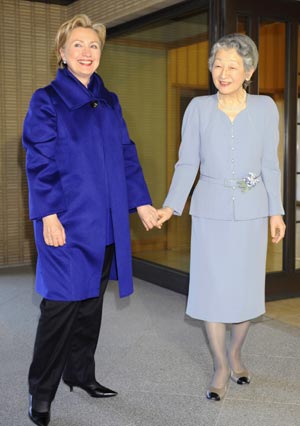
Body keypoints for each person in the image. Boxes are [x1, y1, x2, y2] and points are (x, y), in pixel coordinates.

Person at [23, 14, 159, 426]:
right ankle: (40, 393)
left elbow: (126, 154)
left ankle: (80, 374)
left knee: (90, 305)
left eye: (94, 46)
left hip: (105, 224)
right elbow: (39, 160)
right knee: (60, 308)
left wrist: (142, 204)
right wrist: (47, 213)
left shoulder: (110, 100)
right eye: (78, 45)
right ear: (62, 54)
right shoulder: (46, 100)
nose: (87, 52)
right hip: (63, 222)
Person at [157, 33, 286, 401]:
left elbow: (268, 167)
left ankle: (235, 353)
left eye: (232, 66)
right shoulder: (198, 108)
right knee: (211, 289)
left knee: (245, 289)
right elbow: (188, 163)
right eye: (217, 65)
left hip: (250, 212)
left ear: (249, 70)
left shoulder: (265, 108)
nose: (223, 73)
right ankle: (219, 364)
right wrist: (171, 205)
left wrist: (273, 211)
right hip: (209, 210)